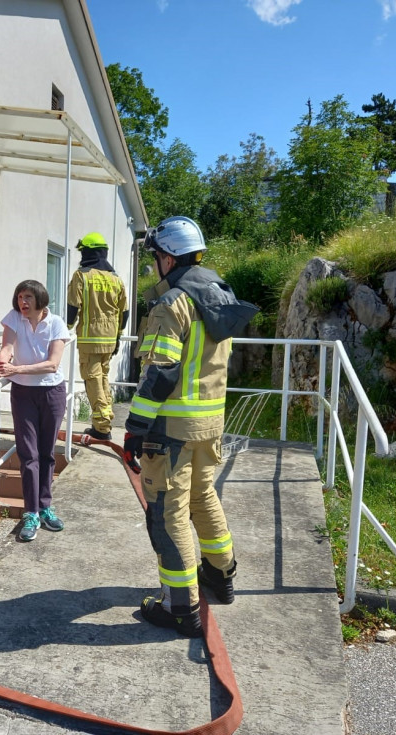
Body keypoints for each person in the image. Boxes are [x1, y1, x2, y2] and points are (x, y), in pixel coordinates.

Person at [122, 216, 258, 637]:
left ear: (167, 257)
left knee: (168, 514)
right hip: (210, 424)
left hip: (172, 430)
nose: (155, 266)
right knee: (203, 496)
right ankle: (221, 575)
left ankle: (181, 607)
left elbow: (160, 372)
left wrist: (135, 427)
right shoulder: (219, 295)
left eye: (156, 258)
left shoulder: (172, 304)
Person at [0, 280, 72, 542]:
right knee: (28, 454)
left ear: (40, 299)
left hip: (51, 392)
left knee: (46, 453)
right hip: (23, 394)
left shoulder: (57, 323)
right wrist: (0, 366)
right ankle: (31, 513)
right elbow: (6, 349)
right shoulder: (14, 319)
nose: (22, 302)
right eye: (19, 297)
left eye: (27, 297)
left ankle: (45, 507)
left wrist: (16, 370)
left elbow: (52, 364)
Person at [66, 232, 128, 441]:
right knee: (102, 379)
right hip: (110, 339)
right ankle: (105, 417)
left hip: (89, 338)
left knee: (92, 380)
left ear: (87, 252)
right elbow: (125, 311)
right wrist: (118, 335)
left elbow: (73, 306)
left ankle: (102, 427)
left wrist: (64, 328)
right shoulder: (116, 278)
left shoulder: (81, 275)